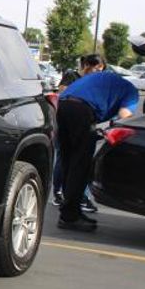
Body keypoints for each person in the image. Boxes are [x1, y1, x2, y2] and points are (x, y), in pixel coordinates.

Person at [56, 67, 139, 231]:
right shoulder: (131, 93)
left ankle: (70, 211)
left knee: (68, 162)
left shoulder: (105, 79)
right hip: (82, 111)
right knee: (80, 165)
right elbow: (125, 116)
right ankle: (70, 217)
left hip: (62, 106)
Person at [52, 54, 105, 211]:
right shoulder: (72, 76)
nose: (98, 73)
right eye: (97, 69)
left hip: (85, 124)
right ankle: (59, 192)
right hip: (67, 122)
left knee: (81, 161)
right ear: (87, 65)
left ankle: (79, 196)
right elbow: (63, 93)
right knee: (64, 158)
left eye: (101, 70)